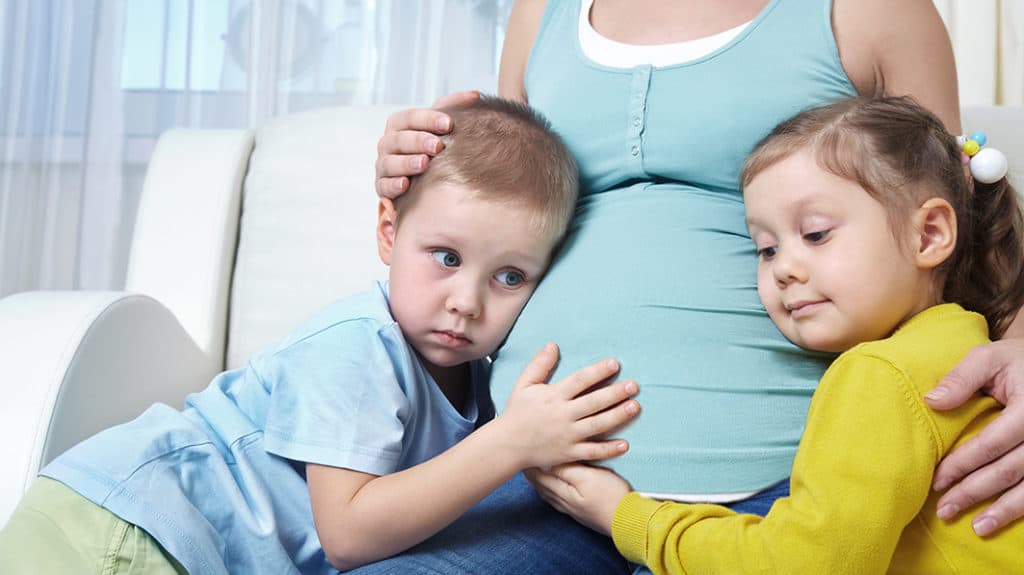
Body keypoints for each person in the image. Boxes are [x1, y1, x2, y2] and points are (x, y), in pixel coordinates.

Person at [365, 0, 1024, 573]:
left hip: (772, 497)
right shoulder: (542, 14)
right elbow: (500, 211)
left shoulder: (868, 10)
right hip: (544, 482)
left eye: (812, 238)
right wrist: (420, 167)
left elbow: (953, 222)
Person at [0, 97, 643, 574]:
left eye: (509, 276)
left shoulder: (478, 377)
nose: (466, 303)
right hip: (123, 530)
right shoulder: (357, 347)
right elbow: (350, 533)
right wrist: (511, 443)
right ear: (389, 232)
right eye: (445, 257)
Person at [529, 95, 1024, 574]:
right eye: (765, 248)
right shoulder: (960, 340)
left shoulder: (880, 375)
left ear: (930, 234)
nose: (784, 268)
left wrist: (629, 518)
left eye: (815, 234)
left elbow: (801, 565)